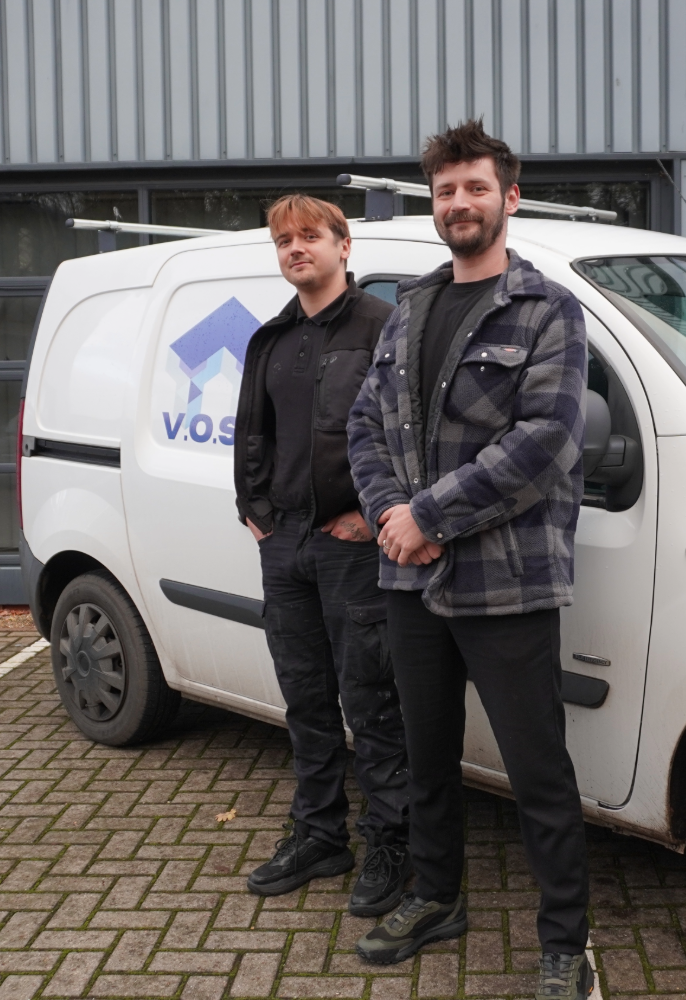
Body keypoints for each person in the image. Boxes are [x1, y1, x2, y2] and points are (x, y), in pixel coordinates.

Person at [347, 121, 592, 1000]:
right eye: (446, 191)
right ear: (434, 202)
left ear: (509, 198)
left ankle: (567, 943)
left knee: (537, 771)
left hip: (508, 580)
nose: (459, 204)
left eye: (475, 188)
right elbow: (365, 425)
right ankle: (434, 896)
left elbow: (548, 440)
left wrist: (432, 517)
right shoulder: (411, 306)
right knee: (427, 754)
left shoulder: (548, 310)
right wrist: (389, 517)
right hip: (407, 575)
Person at [233, 194, 411, 917]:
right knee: (305, 700)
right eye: (283, 240)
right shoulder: (271, 338)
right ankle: (319, 836)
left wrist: (377, 519)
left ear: (344, 245)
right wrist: (258, 515)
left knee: (372, 703)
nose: (294, 249)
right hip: (289, 547)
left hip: (354, 550)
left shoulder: (381, 328)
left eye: (309, 237)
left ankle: (392, 842)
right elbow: (253, 434)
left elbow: (411, 434)